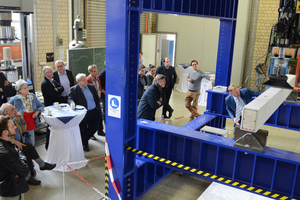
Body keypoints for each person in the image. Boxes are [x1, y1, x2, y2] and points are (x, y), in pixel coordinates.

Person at [0, 103, 56, 186]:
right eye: (12, 109)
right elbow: (3, 139)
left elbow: (23, 130)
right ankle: (32, 172)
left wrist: (22, 119)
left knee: (28, 148)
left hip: (18, 145)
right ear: (6, 113)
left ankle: (31, 174)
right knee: (27, 150)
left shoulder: (15, 119)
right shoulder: (2, 124)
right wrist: (14, 142)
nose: (15, 110)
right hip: (13, 146)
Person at [68, 73, 100, 152]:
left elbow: (96, 97)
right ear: (79, 82)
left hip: (93, 111)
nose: (86, 81)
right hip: (83, 113)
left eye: (85, 79)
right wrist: (72, 103)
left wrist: (97, 106)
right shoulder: (74, 89)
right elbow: (70, 98)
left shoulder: (91, 87)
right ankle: (85, 144)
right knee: (83, 129)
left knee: (95, 126)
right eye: (83, 80)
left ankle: (81, 141)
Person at [0, 115, 29, 199]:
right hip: (10, 190)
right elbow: (24, 171)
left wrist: (17, 164)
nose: (15, 127)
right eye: (12, 126)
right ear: (5, 132)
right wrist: (22, 160)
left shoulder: (6, 145)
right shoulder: (7, 152)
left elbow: (17, 151)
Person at [8, 80, 44, 146]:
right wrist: (14, 113)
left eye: (27, 87)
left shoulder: (32, 96)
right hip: (20, 125)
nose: (27, 89)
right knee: (21, 144)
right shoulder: (15, 99)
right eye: (24, 88)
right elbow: (5, 108)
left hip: (31, 123)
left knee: (31, 144)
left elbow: (42, 106)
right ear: (19, 90)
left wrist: (37, 112)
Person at [87, 65, 105, 137]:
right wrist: (97, 90)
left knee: (100, 115)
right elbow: (88, 90)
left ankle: (100, 130)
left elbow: (99, 86)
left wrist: (100, 90)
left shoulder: (97, 77)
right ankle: (91, 134)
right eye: (95, 71)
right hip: (91, 100)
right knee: (91, 117)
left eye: (97, 70)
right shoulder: (88, 79)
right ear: (90, 72)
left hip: (98, 99)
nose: (97, 72)